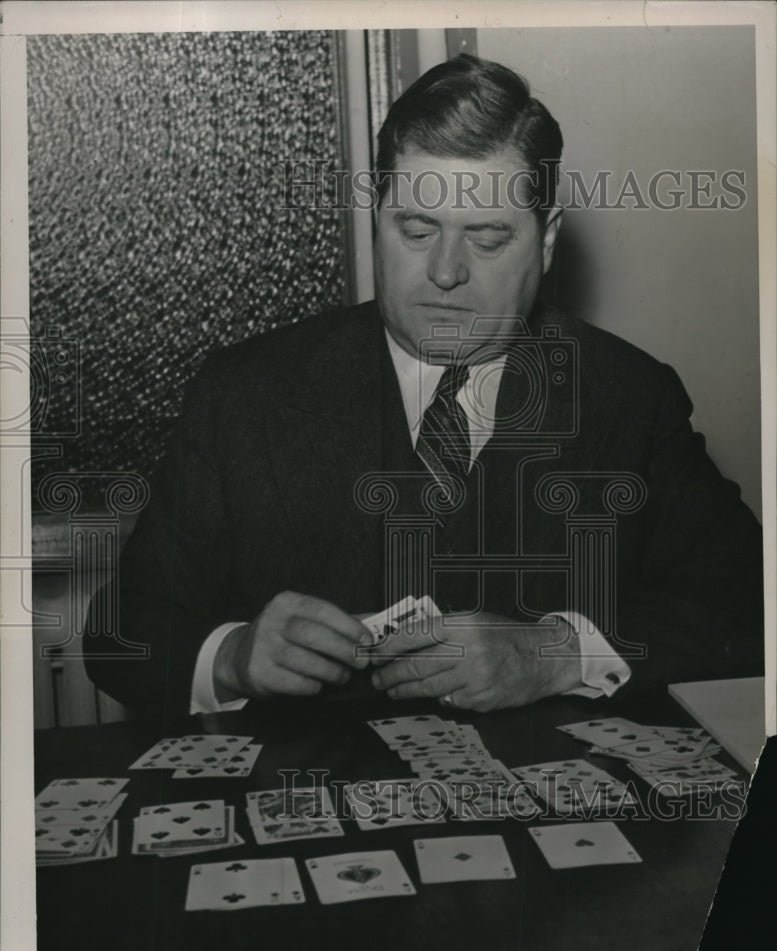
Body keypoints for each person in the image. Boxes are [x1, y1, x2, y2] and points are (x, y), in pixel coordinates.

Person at [85, 54, 763, 725]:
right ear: (376, 220)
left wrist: (557, 653)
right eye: (416, 231)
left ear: (547, 240)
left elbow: (752, 603)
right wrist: (231, 656)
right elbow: (121, 633)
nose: (443, 272)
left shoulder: (630, 398)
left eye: (487, 240)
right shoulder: (244, 393)